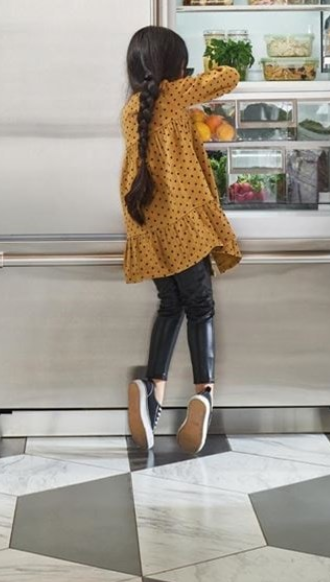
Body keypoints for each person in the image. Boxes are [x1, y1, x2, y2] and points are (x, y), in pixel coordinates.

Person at [119, 26, 242, 454]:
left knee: (170, 305)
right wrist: (207, 62)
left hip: (149, 226)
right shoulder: (173, 96)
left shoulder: (133, 108)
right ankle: (204, 393)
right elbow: (229, 76)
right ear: (172, 67)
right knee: (201, 307)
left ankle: (153, 391)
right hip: (184, 224)